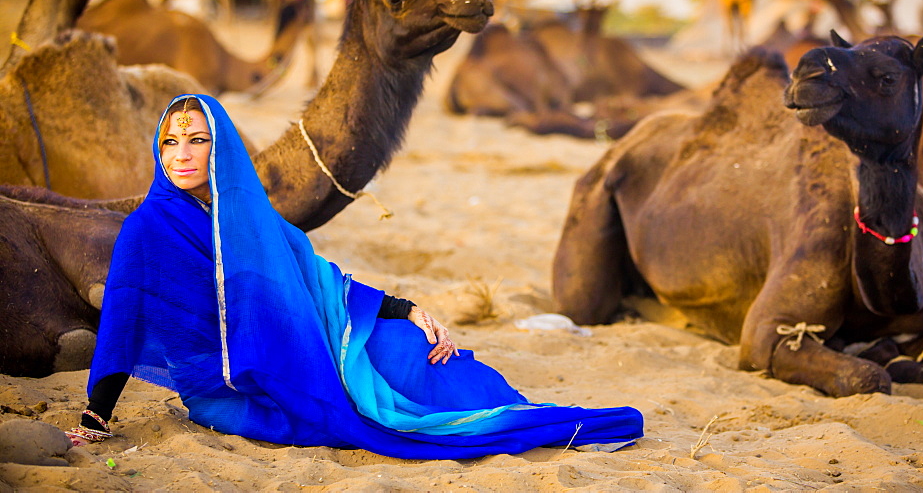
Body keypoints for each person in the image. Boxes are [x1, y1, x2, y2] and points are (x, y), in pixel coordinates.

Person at [66, 94, 643, 458]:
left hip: (310, 338)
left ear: (222, 151)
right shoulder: (148, 229)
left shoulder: (241, 220)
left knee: (418, 350)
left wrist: (407, 308)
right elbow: (123, 317)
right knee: (382, 403)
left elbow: (317, 280)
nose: (183, 153)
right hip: (241, 382)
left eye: (199, 140)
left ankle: (509, 408)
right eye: (171, 142)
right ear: (158, 151)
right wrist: (96, 417)